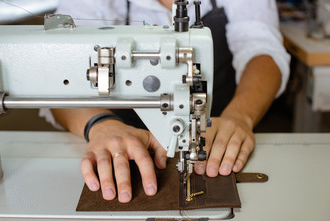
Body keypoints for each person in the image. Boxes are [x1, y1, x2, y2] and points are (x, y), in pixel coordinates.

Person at [40, 0, 290, 203]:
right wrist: (100, 124)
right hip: (120, 137)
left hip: (217, 134)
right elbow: (59, 74)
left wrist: (240, 116)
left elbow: (262, 50)